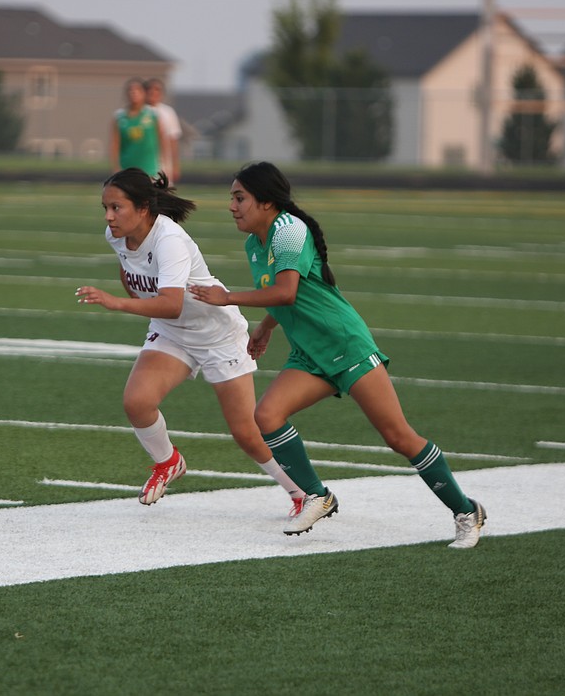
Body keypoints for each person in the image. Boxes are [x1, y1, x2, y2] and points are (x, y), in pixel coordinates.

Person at [190, 161, 487, 549]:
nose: (232, 205)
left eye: (239, 197)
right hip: (310, 352)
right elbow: (284, 293)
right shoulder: (255, 242)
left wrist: (228, 297)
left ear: (266, 202)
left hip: (344, 344)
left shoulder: (288, 231)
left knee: (398, 437)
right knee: (266, 415)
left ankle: (466, 511)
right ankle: (318, 495)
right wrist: (266, 326)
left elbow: (287, 292)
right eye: (232, 197)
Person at [76, 168, 334, 535]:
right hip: (172, 332)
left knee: (247, 432)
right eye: (105, 207)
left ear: (144, 208)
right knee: (137, 402)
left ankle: (300, 492)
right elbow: (129, 269)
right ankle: (168, 462)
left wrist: (117, 304)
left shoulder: (169, 240)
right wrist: (134, 295)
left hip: (217, 333)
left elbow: (171, 304)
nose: (108, 217)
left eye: (116, 208)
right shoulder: (116, 235)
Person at [110, 78, 167, 176]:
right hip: (126, 168)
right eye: (130, 90)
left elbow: (161, 139)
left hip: (150, 169)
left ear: (144, 93)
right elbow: (115, 143)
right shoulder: (119, 117)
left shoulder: (152, 115)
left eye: (137, 90)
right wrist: (115, 166)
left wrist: (164, 164)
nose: (134, 93)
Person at [145, 77, 182, 185]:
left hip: (162, 161)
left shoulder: (168, 112)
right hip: (143, 158)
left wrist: (175, 165)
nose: (153, 92)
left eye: (157, 89)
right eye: (150, 89)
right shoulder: (139, 112)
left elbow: (173, 140)